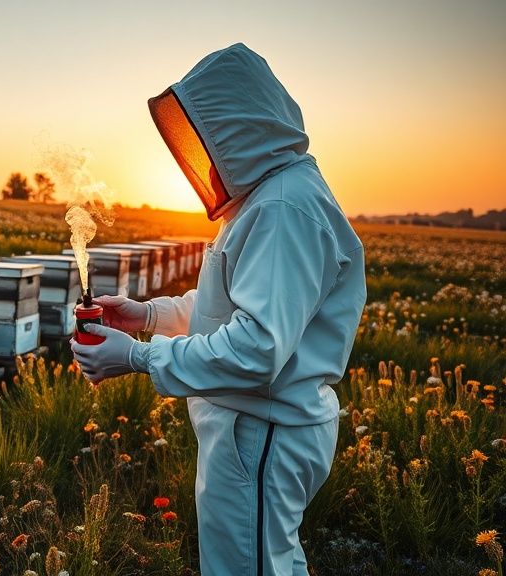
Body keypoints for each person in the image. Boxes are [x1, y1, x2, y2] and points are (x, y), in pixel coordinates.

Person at [71, 43, 366, 576]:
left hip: (263, 432)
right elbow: (232, 312)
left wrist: (137, 358)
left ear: (234, 128)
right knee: (268, 563)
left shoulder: (281, 208)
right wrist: (146, 316)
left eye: (204, 137)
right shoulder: (271, 198)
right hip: (257, 429)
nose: (200, 155)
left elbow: (255, 349)